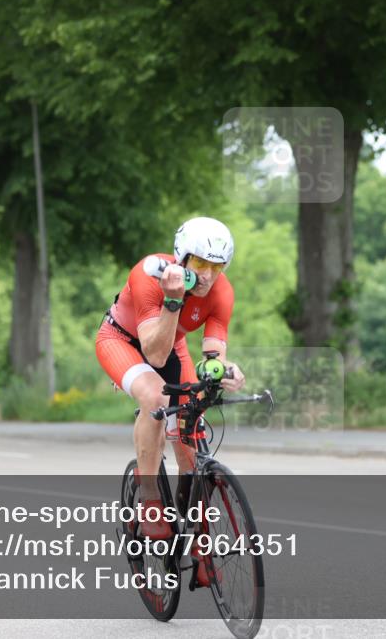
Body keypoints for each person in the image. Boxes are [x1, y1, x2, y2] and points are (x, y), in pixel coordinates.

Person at [94, 217, 246, 583]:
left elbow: (213, 353)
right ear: (182, 258)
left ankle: (198, 536)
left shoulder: (222, 293)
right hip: (124, 342)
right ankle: (149, 500)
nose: (208, 275)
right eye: (200, 264)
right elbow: (155, 355)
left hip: (169, 341)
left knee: (193, 427)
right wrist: (175, 300)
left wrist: (226, 370)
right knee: (157, 399)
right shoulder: (148, 274)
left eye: (217, 266)